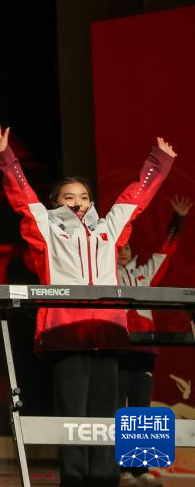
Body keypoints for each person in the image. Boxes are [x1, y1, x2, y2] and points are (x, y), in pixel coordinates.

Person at [0, 124, 176, 487]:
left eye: (84, 197)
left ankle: (106, 480)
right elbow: (23, 197)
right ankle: (73, 481)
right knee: (72, 419)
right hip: (66, 334)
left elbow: (136, 198)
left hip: (108, 333)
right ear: (55, 202)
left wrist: (159, 162)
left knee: (106, 419)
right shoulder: (47, 229)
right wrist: (5, 157)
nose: (77, 203)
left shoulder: (108, 230)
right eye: (68, 197)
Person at [117, 195, 190, 487]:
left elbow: (164, 252)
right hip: (117, 347)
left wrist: (177, 222)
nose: (123, 251)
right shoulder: (105, 275)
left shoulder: (144, 275)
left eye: (127, 247)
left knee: (141, 410)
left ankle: (140, 470)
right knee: (116, 408)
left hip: (145, 348)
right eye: (119, 247)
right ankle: (118, 470)